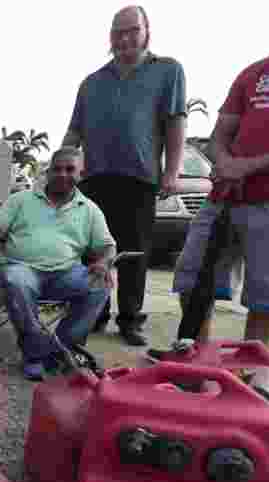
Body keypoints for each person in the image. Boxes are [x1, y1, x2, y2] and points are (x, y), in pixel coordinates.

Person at [170, 0, 269, 346]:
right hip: (226, 195)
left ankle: (247, 377)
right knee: (192, 277)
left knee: (268, 297)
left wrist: (250, 165)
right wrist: (224, 162)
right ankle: (196, 364)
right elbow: (219, 135)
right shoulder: (258, 70)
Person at [62, 5, 187, 347]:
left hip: (140, 177)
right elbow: (74, 132)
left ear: (147, 31)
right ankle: (95, 313)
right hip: (94, 179)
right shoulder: (91, 82)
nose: (125, 38)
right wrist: (60, 167)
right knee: (93, 252)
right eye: (118, 32)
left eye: (132, 30)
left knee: (134, 253)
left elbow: (175, 122)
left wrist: (172, 172)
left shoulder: (167, 71)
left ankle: (130, 318)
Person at [0, 147, 116, 381]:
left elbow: (108, 246)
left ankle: (56, 350)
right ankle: (36, 354)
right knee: (16, 280)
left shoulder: (89, 209)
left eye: (70, 169)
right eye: (57, 169)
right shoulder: (22, 199)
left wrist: (103, 262)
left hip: (65, 273)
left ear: (81, 173)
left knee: (101, 284)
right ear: (48, 172)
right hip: (22, 269)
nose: (62, 174)